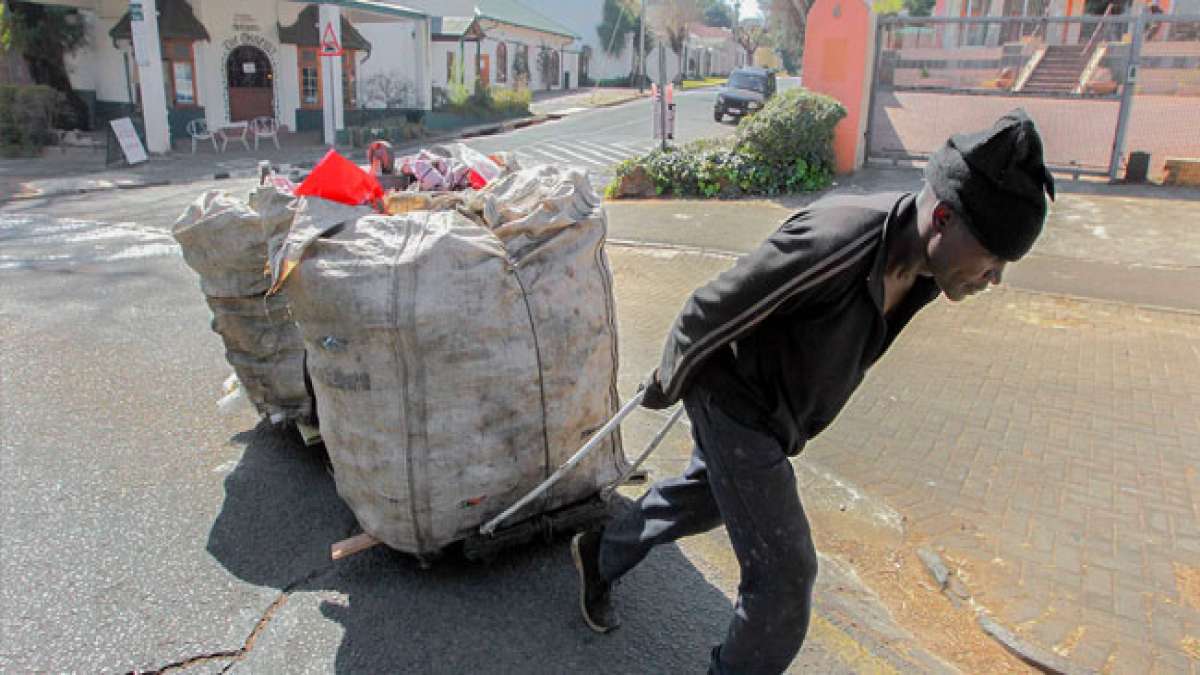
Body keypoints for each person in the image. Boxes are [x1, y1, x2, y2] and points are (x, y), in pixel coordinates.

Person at [571, 109, 1057, 674]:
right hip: (735, 401)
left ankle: (599, 553)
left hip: (775, 418)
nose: (994, 278)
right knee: (784, 577)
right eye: (993, 258)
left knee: (707, 498)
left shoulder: (925, 266)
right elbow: (711, 306)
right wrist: (666, 380)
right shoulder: (837, 242)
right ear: (943, 217)